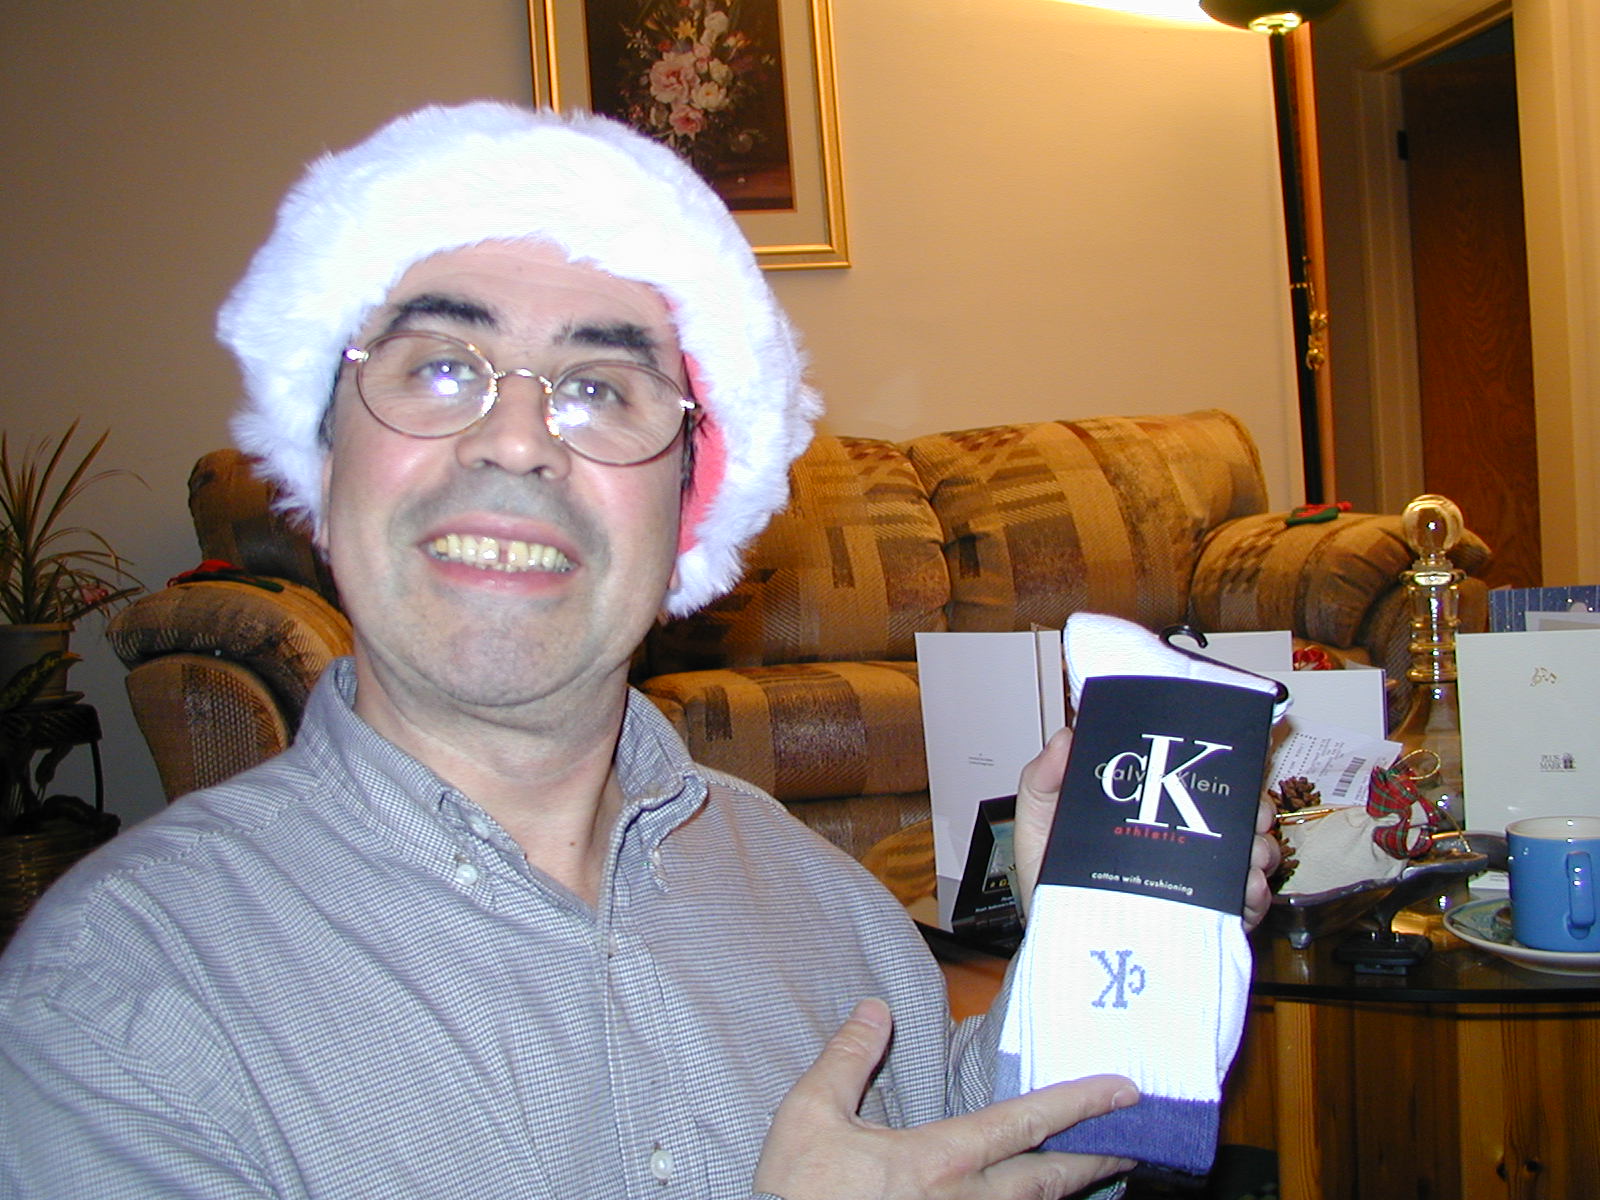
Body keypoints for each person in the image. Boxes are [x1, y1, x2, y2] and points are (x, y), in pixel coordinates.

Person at [0, 103, 1277, 1200]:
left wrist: (1097, 944)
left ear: (686, 514)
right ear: (324, 465)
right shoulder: (117, 996)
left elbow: (949, 1146)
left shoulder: (828, 905)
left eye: (598, 388)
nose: (515, 440)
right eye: (438, 367)